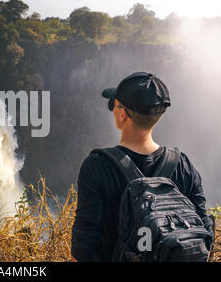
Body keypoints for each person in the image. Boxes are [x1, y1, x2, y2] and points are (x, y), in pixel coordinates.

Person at [70, 71, 214, 262]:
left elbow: (84, 243)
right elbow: (205, 231)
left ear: (122, 115)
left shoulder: (97, 165)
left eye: (113, 104)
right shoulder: (183, 165)